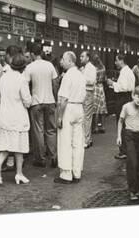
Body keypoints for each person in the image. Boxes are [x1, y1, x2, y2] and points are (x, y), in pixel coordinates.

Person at [0, 54, 32, 185]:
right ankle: (6, 170)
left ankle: (16, 173)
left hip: (4, 115)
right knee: (18, 146)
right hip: (18, 117)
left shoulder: (3, 77)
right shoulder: (22, 79)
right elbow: (27, 101)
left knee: (7, 145)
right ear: (23, 67)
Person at [23, 43, 58, 168]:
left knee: (38, 130)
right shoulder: (49, 65)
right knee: (51, 130)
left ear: (32, 54)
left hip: (36, 102)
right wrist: (55, 98)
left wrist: (27, 100)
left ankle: (40, 158)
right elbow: (55, 83)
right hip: (50, 101)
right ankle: (54, 157)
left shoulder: (30, 67)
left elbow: (24, 85)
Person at [54, 51, 86, 184]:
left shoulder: (67, 76)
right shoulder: (80, 75)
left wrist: (60, 117)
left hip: (69, 108)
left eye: (63, 59)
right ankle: (76, 172)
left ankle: (66, 174)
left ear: (70, 61)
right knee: (78, 143)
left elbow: (63, 99)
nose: (62, 61)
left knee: (65, 142)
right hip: (79, 108)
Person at [117, 85, 139, 202]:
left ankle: (137, 188)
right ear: (132, 95)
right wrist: (118, 137)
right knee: (132, 162)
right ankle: (131, 190)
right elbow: (120, 122)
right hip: (129, 135)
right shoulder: (126, 107)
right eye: (137, 96)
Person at [107, 54, 135, 160]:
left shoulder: (124, 72)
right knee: (127, 124)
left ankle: (123, 150)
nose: (115, 63)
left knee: (121, 122)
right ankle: (127, 148)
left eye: (116, 61)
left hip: (122, 98)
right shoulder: (129, 71)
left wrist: (112, 83)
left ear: (121, 61)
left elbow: (123, 87)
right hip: (128, 98)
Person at [80, 51, 97, 149]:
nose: (80, 58)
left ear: (87, 58)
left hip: (88, 93)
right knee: (85, 117)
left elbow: (92, 81)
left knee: (86, 117)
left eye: (82, 56)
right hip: (84, 93)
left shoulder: (91, 68)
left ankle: (86, 140)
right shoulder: (84, 68)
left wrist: (81, 77)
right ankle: (88, 138)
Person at [90, 53, 107, 134]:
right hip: (101, 87)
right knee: (102, 108)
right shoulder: (103, 67)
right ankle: (103, 126)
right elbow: (105, 78)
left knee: (95, 108)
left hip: (95, 87)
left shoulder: (94, 69)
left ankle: (96, 127)